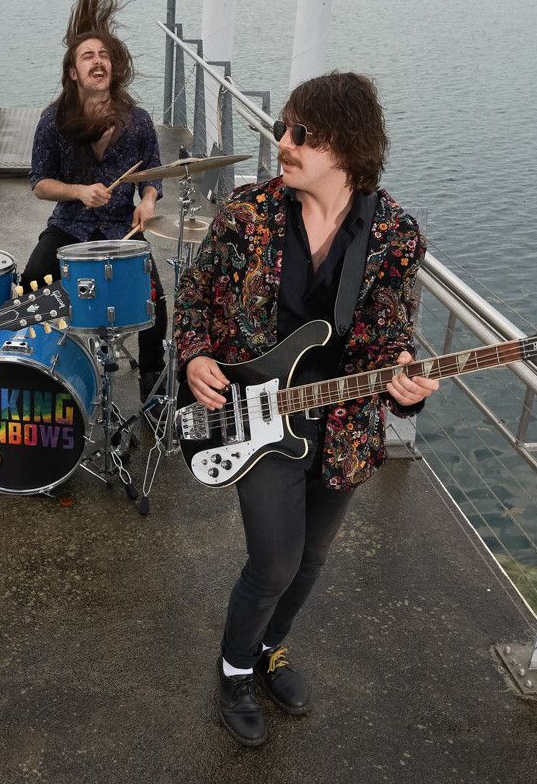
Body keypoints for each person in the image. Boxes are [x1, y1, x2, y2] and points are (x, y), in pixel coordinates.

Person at [173, 71, 441, 748]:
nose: (283, 142)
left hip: (342, 424)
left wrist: (403, 380)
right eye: (283, 128)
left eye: (302, 134)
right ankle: (235, 671)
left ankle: (270, 650)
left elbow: (390, 336)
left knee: (311, 562)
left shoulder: (394, 234)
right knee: (273, 563)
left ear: (346, 147)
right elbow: (194, 294)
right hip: (256, 415)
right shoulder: (247, 213)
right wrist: (195, 356)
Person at [21, 0, 170, 400]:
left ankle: (151, 386)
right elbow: (39, 183)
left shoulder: (137, 120)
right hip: (70, 228)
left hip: (122, 231)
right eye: (87, 56)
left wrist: (147, 201)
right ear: (73, 72)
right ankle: (40, 368)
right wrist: (79, 192)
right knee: (30, 285)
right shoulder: (53, 121)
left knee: (156, 305)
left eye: (103, 55)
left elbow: (153, 174)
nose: (98, 61)